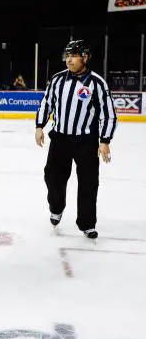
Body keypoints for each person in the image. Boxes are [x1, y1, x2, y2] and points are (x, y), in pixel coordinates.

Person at [35, 40, 117, 239]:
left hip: (86, 142)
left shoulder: (97, 83)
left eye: (73, 55)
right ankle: (56, 207)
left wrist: (104, 140)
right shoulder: (57, 79)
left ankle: (87, 223)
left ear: (85, 58)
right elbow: (47, 103)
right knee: (52, 177)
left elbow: (108, 114)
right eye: (67, 55)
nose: (69, 60)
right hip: (60, 139)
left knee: (89, 183)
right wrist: (39, 126)